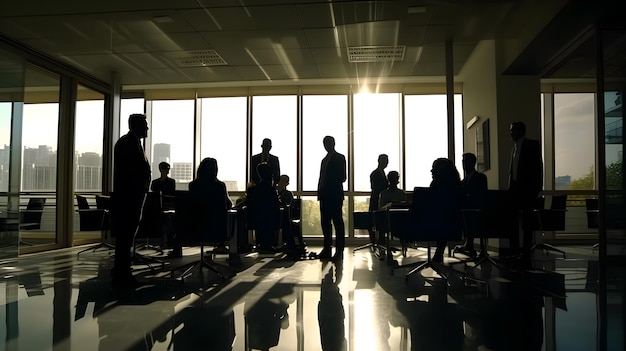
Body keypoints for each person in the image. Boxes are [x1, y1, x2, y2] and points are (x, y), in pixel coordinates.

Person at [111, 113, 151, 285]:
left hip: (134, 196)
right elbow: (131, 172)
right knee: (125, 234)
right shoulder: (128, 144)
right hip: (129, 197)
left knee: (127, 235)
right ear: (136, 125)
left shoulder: (133, 143)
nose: (147, 127)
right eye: (145, 124)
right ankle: (122, 271)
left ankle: (122, 268)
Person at [508, 121, 543, 258]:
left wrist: (536, 189)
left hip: (527, 190)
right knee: (512, 221)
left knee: (527, 223)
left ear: (520, 131)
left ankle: (526, 251)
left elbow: (537, 167)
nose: (510, 133)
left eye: (512, 130)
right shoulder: (513, 149)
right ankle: (514, 251)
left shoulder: (532, 145)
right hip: (515, 189)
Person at [187, 157, 233, 255]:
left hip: (196, 226)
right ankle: (222, 245)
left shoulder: (193, 185)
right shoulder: (220, 186)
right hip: (215, 228)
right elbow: (228, 204)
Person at [317, 136, 347, 261]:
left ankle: (339, 249)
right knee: (325, 222)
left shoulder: (340, 158)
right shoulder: (324, 160)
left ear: (333, 143)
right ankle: (327, 248)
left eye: (328, 143)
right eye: (325, 143)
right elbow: (321, 177)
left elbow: (343, 177)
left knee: (337, 222)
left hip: (334, 194)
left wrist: (329, 184)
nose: (326, 145)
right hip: (325, 194)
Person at [428, 158, 462, 263]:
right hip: (454, 227)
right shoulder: (457, 189)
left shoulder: (435, 187)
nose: (431, 171)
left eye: (433, 168)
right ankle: (439, 251)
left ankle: (439, 252)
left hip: (431, 226)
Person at [454, 153, 488, 258]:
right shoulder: (464, 181)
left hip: (477, 209)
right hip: (467, 209)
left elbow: (481, 195)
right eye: (463, 162)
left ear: (473, 163)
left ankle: (470, 244)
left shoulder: (480, 177)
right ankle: (468, 243)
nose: (464, 164)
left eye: (466, 161)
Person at [247, 162, 282, 253]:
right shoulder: (270, 189)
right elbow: (276, 204)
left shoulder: (255, 189)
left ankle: (263, 244)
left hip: (258, 218)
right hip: (269, 218)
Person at [369, 154, 388, 243]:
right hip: (376, 199)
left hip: (378, 199)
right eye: (385, 161)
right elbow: (376, 188)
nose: (386, 163)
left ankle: (379, 240)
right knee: (375, 220)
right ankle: (375, 241)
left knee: (379, 220)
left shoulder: (380, 173)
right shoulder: (376, 173)